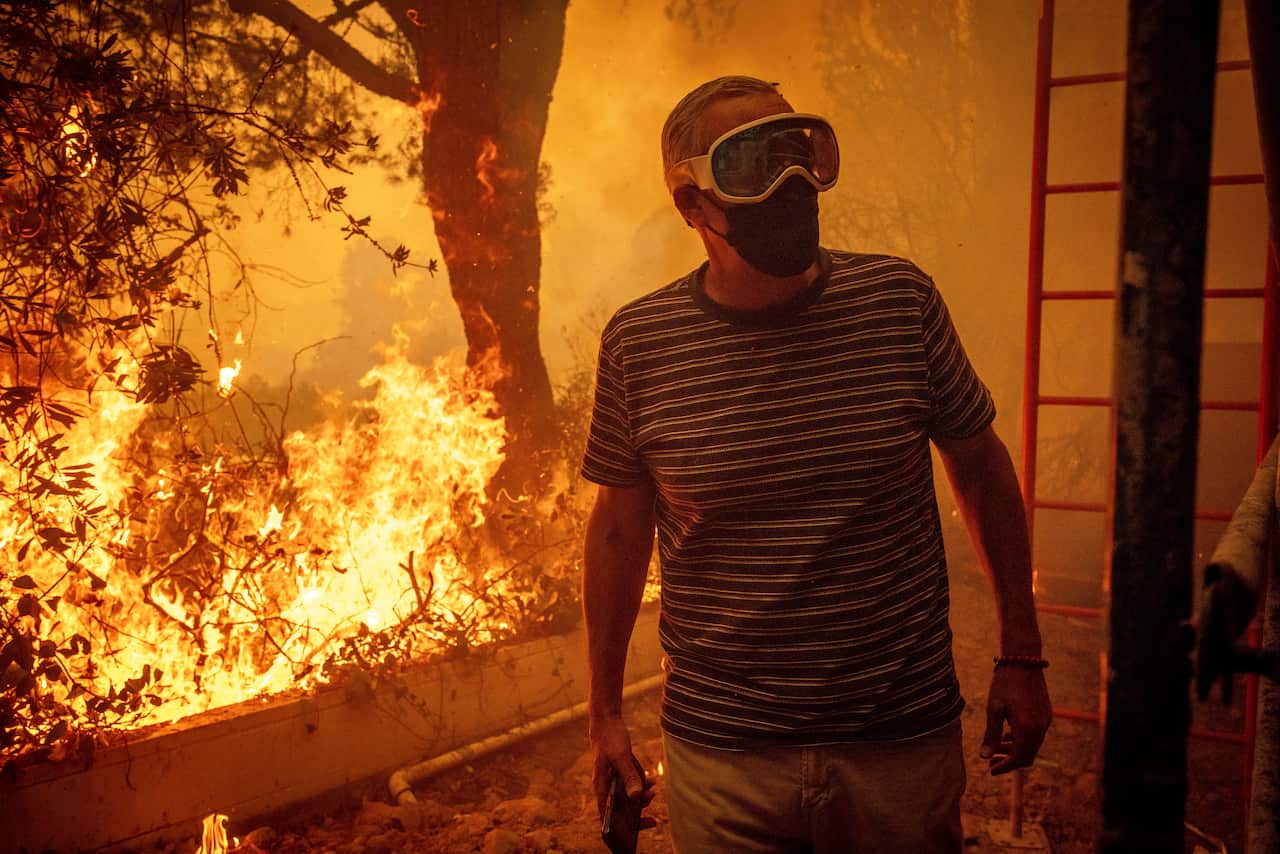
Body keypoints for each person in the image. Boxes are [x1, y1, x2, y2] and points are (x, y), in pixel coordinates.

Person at [581, 75, 1052, 853]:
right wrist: (603, 716)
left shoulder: (899, 301)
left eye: (799, 153)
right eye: (752, 164)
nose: (792, 184)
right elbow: (619, 533)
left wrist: (1022, 653)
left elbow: (981, 468)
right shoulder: (641, 343)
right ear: (693, 204)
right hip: (725, 761)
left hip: (900, 747)